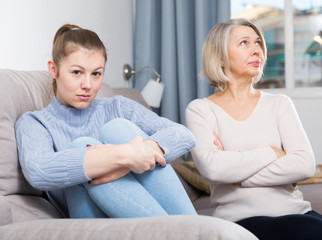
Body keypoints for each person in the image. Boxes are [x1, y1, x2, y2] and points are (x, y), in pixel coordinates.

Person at [15, 23, 197, 218]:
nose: (87, 85)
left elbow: (183, 135)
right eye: (77, 72)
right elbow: (38, 171)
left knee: (117, 129)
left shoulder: (117, 107)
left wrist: (131, 161)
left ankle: (193, 230)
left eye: (96, 74)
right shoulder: (34, 123)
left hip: (136, 212)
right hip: (90, 219)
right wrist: (124, 156)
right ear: (53, 69)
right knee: (80, 146)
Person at [185, 18, 322, 240]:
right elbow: (214, 170)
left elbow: (305, 165)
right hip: (240, 221)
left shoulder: (280, 103)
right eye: (244, 43)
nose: (256, 49)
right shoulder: (200, 110)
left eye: (258, 42)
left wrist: (238, 176)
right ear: (220, 57)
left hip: (298, 211)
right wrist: (273, 153)